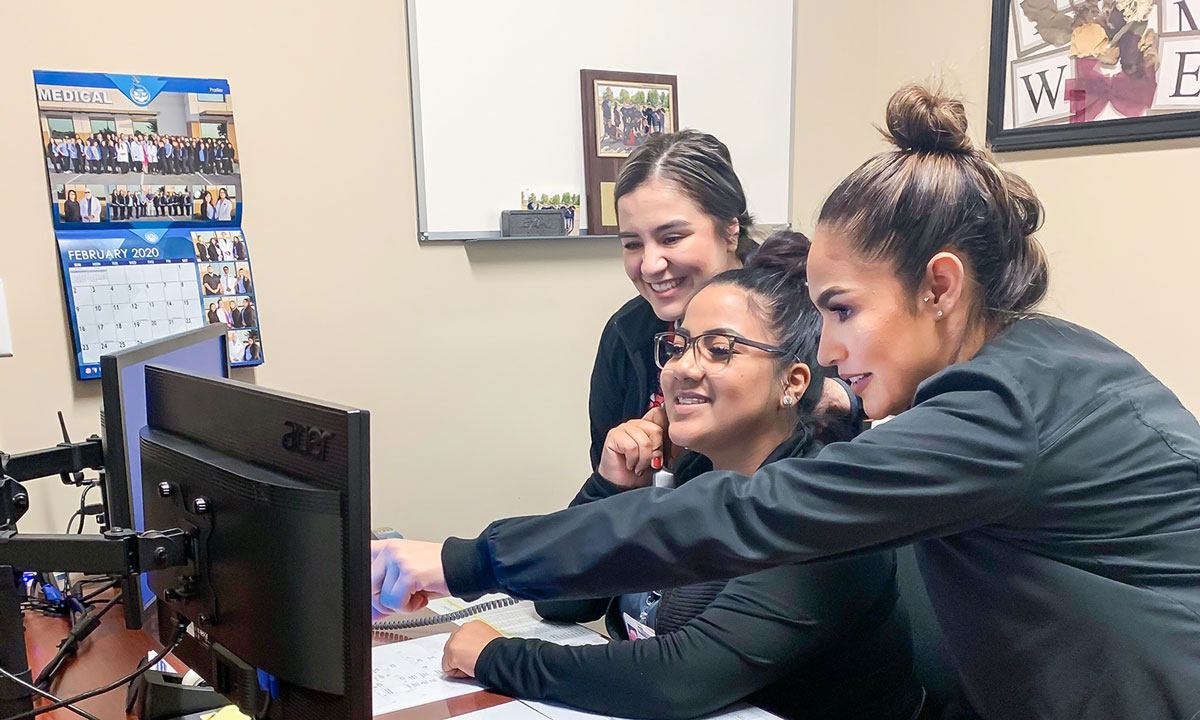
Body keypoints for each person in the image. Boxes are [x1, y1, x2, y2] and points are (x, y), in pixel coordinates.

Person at [371, 85, 1200, 720]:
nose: (830, 348)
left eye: (842, 311)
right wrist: (844, 413)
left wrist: (466, 560)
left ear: (940, 287)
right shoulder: (1045, 364)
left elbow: (740, 520)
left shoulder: (999, 410)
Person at [439, 232, 927, 720]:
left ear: (793, 383)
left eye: (719, 349)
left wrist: (495, 658)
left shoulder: (820, 510)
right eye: (679, 346)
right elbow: (564, 607)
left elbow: (676, 680)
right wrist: (612, 486)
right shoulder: (688, 473)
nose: (681, 369)